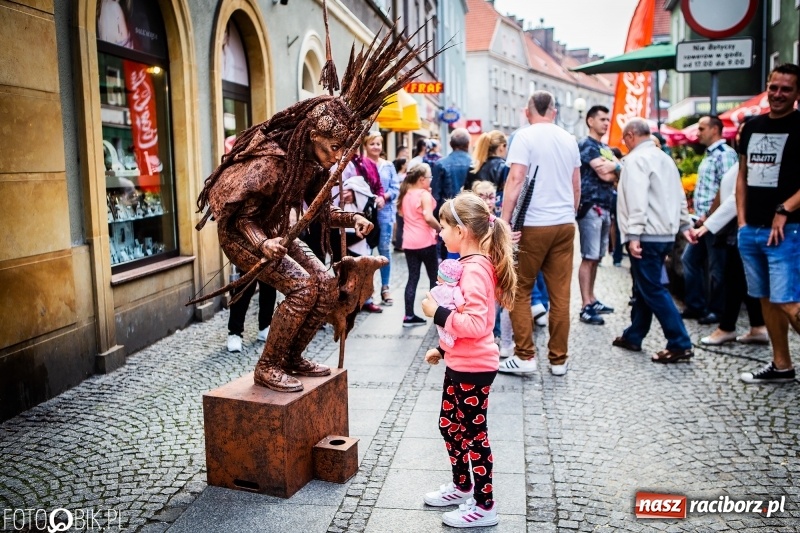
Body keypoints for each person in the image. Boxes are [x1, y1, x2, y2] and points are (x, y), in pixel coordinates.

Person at [194, 19, 438, 392]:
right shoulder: (271, 163)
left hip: (277, 231)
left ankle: (292, 356)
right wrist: (263, 244)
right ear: (312, 135)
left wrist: (352, 217)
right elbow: (241, 217)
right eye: (332, 148)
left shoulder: (311, 163)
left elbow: (319, 213)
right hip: (243, 233)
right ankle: (269, 364)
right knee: (302, 288)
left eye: (343, 151)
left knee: (324, 283)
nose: (336, 158)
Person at [419, 191, 516, 529]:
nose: (439, 232)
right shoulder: (468, 265)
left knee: (475, 436)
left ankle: (485, 505)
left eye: (444, 226)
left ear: (462, 231)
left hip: (475, 369)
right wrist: (444, 350)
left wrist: (437, 313)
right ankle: (463, 487)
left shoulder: (475, 270)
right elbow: (466, 315)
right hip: (459, 362)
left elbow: (477, 324)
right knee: (449, 426)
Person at [499, 90, 580, 376]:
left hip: (533, 224)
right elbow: (575, 184)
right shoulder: (569, 139)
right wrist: (569, 214)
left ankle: (525, 356)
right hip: (564, 224)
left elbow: (516, 178)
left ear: (527, 111)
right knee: (560, 297)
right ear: (554, 111)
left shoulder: (524, 136)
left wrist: (505, 222)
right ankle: (558, 360)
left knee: (519, 290)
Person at [612, 118, 696, 363]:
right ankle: (634, 335)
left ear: (630, 136)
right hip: (664, 233)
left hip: (648, 233)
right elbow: (679, 195)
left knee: (652, 288)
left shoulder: (636, 160)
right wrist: (684, 225)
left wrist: (634, 234)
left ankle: (679, 342)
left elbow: (637, 199)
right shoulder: (664, 158)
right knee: (644, 286)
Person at [736, 63, 800, 384]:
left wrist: (785, 209)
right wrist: (742, 221)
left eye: (786, 89)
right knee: (766, 300)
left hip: (788, 231)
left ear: (797, 93)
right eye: (773, 87)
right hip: (752, 230)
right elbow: (743, 175)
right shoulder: (751, 127)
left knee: (789, 302)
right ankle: (781, 366)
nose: (777, 94)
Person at [691, 117, 767, 346]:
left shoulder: (743, 160)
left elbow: (735, 198)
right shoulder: (743, 160)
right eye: (741, 132)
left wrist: (708, 224)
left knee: (736, 278)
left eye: (746, 133)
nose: (741, 137)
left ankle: (729, 327)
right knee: (741, 280)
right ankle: (755, 327)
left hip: (741, 227)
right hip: (737, 228)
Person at [681, 115, 738, 325]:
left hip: (717, 223)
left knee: (717, 267)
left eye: (702, 129)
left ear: (715, 130)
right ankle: (696, 305)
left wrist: (708, 217)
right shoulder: (711, 154)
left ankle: (718, 310)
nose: (698, 133)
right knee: (690, 260)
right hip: (702, 221)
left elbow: (728, 191)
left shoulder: (725, 154)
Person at [576, 105, 620, 326]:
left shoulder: (604, 147)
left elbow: (611, 172)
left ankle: (592, 299)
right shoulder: (586, 145)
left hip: (605, 205)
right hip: (591, 206)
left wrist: (613, 168)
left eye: (607, 119)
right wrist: (616, 168)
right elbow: (604, 174)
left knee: (597, 257)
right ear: (590, 120)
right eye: (602, 119)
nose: (606, 123)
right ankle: (585, 305)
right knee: (589, 256)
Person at [399, 163, 441, 326]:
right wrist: (440, 228)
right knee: (433, 278)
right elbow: (429, 217)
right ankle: (435, 312)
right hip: (425, 241)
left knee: (413, 278)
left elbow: (403, 214)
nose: (431, 180)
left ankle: (408, 316)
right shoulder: (423, 194)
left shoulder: (405, 193)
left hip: (409, 242)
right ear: (422, 179)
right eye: (429, 177)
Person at [226, 273, 277, 353]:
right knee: (243, 289)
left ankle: (264, 327)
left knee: (269, 289)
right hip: (245, 261)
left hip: (270, 262)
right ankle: (234, 333)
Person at [430, 259, 466, 347]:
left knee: (441, 328)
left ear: (439, 277)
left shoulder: (435, 290)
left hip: (438, 313)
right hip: (450, 314)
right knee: (451, 329)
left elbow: (430, 301)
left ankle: (445, 339)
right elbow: (460, 305)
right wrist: (462, 311)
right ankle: (452, 337)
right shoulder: (455, 290)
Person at [464, 130, 509, 195]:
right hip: (496, 204)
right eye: (506, 146)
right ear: (502, 147)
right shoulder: (503, 167)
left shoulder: (473, 167)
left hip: (476, 204)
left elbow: (467, 194)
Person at [392, 157, 408, 252]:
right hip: (401, 201)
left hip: (397, 201)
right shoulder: (404, 177)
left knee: (398, 223)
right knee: (401, 223)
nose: (407, 165)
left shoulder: (396, 175)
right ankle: (400, 244)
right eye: (406, 163)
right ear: (402, 165)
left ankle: (397, 242)